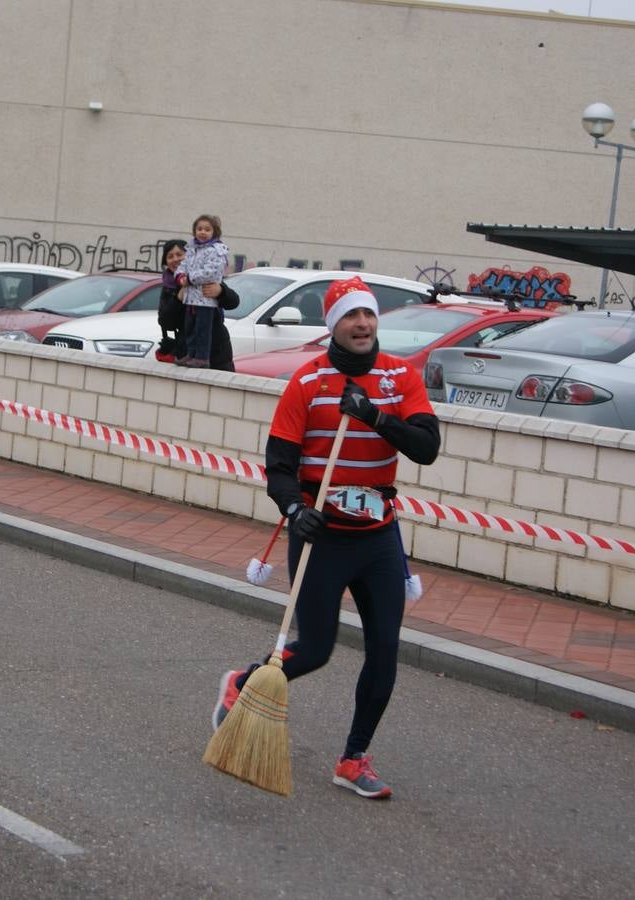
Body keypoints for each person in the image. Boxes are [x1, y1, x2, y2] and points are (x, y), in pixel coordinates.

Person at [211, 276, 440, 798]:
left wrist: (374, 416)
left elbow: (426, 446)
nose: (362, 324)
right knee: (315, 650)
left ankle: (353, 759)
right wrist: (294, 508)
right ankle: (242, 684)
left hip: (379, 535)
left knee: (384, 651)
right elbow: (278, 465)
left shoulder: (400, 378)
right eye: (350, 316)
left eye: (369, 315)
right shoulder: (308, 381)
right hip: (322, 534)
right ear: (333, 325)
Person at [174, 214, 229, 368]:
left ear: (214, 232)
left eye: (207, 229)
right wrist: (179, 276)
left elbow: (211, 272)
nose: (203, 232)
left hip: (205, 298)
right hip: (191, 297)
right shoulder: (192, 249)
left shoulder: (217, 250)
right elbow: (183, 265)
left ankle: (202, 357)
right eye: (199, 229)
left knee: (202, 329)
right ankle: (191, 354)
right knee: (190, 327)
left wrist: (190, 279)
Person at [155, 239, 188, 363]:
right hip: (185, 351)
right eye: (170, 256)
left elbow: (232, 302)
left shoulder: (204, 275)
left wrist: (220, 291)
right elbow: (166, 323)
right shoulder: (168, 287)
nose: (175, 259)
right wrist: (178, 298)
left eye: (179, 254)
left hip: (215, 349)